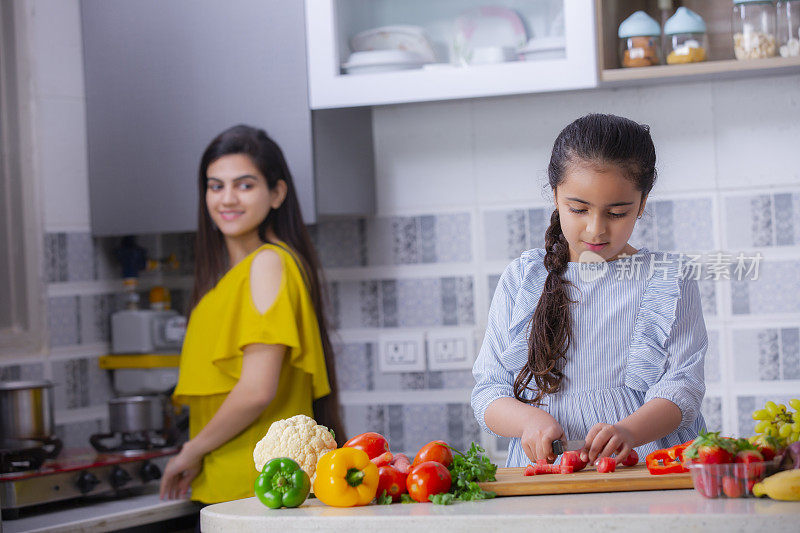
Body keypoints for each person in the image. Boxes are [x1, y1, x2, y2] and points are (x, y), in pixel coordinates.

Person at [472, 113, 706, 468]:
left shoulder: (668, 278)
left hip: (648, 465)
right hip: (550, 470)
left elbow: (683, 387)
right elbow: (489, 392)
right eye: (578, 209)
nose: (596, 230)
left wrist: (629, 431)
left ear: (642, 204)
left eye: (617, 213)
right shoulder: (523, 279)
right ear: (555, 196)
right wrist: (528, 421)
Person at [160, 124, 343, 504]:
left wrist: (190, 450)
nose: (227, 198)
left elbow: (257, 389)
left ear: (276, 194)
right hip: (235, 486)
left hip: (255, 490)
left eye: (244, 185)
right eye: (215, 186)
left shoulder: (268, 263)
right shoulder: (233, 278)